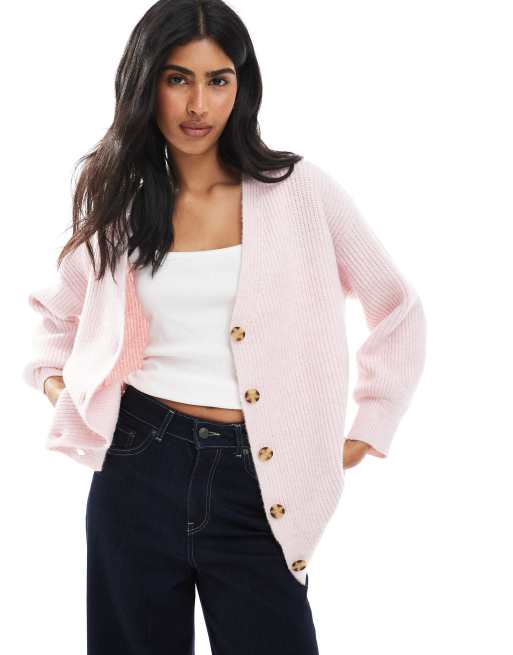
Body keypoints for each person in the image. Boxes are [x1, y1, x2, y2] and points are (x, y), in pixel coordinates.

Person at [21, 1, 427, 653]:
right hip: (137, 467)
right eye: (177, 78)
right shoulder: (125, 206)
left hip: (259, 481)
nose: (198, 105)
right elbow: (53, 319)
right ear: (146, 83)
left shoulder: (298, 191)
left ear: (242, 86)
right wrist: (68, 393)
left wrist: (368, 425)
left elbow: (397, 307)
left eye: (218, 80)